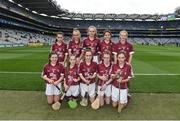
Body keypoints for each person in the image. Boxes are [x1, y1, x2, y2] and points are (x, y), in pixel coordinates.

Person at [113, 30, 135, 100]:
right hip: (119, 65)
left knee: (127, 79)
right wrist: (116, 65)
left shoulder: (130, 45)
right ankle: (117, 91)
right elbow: (115, 56)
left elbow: (130, 55)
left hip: (126, 65)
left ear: (126, 37)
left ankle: (127, 91)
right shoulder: (116, 45)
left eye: (124, 36)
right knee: (117, 77)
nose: (123, 37)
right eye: (122, 35)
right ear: (119, 36)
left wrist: (129, 64)